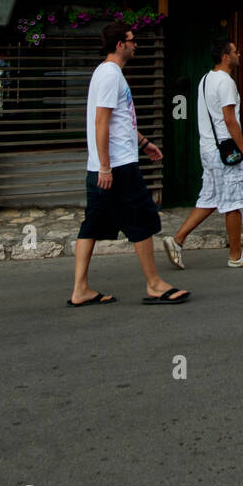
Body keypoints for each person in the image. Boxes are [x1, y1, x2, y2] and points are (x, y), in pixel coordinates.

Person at [68, 22, 190, 306]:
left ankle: (80, 289)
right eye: (132, 40)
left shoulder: (104, 72)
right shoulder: (111, 75)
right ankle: (155, 284)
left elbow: (120, 121)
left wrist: (144, 143)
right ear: (120, 44)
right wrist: (107, 167)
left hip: (102, 165)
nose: (136, 44)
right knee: (143, 220)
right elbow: (102, 122)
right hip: (118, 166)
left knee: (92, 224)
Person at [163, 38, 243, 269]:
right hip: (225, 150)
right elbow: (229, 120)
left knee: (210, 198)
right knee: (233, 203)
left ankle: (177, 240)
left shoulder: (206, 79)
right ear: (225, 57)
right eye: (235, 51)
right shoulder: (226, 82)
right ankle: (236, 256)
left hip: (208, 148)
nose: (239, 54)